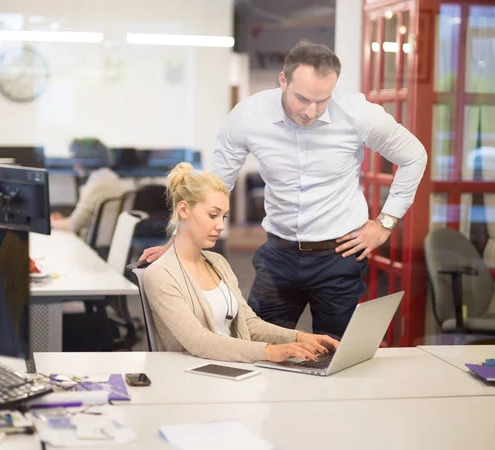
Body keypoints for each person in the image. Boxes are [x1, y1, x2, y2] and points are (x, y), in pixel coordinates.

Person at [141, 41, 427, 338]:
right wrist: (180, 240)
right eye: (302, 99)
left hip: (340, 256)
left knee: (337, 355)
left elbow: (414, 156)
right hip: (278, 255)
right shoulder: (249, 115)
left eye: (323, 100)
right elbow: (214, 186)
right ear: (283, 81)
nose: (311, 111)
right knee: (258, 345)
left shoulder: (359, 114)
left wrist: (385, 223)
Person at [143, 163, 339, 363]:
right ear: (184, 209)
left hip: (233, 368)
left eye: (224, 216)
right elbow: (198, 342)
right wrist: (269, 351)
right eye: (213, 215)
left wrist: (299, 337)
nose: (221, 226)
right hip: (194, 378)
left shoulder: (217, 263)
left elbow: (248, 323)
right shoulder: (160, 274)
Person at [50, 166, 133, 239]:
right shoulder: (110, 176)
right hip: (107, 242)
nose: (75, 167)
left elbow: (74, 225)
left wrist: (51, 222)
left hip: (88, 245)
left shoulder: (95, 184)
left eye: (77, 161)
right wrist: (63, 220)